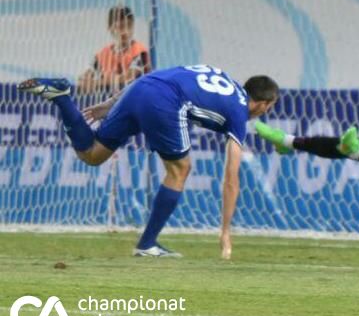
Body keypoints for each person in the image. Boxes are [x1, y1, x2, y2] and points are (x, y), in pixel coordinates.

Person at [18, 65, 279, 259]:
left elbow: (161, 75)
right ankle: (147, 244)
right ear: (265, 104)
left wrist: (112, 102)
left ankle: (62, 97)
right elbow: (231, 179)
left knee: (92, 154)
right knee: (180, 169)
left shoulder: (221, 77)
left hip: (140, 88)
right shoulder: (238, 112)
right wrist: (225, 232)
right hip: (165, 101)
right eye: (270, 107)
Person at [77, 6, 151, 96]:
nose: (126, 31)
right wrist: (84, 81)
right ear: (110, 28)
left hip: (135, 99)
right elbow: (85, 76)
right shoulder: (102, 55)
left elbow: (127, 78)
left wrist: (96, 83)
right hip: (107, 100)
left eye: (129, 26)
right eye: (121, 27)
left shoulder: (140, 52)